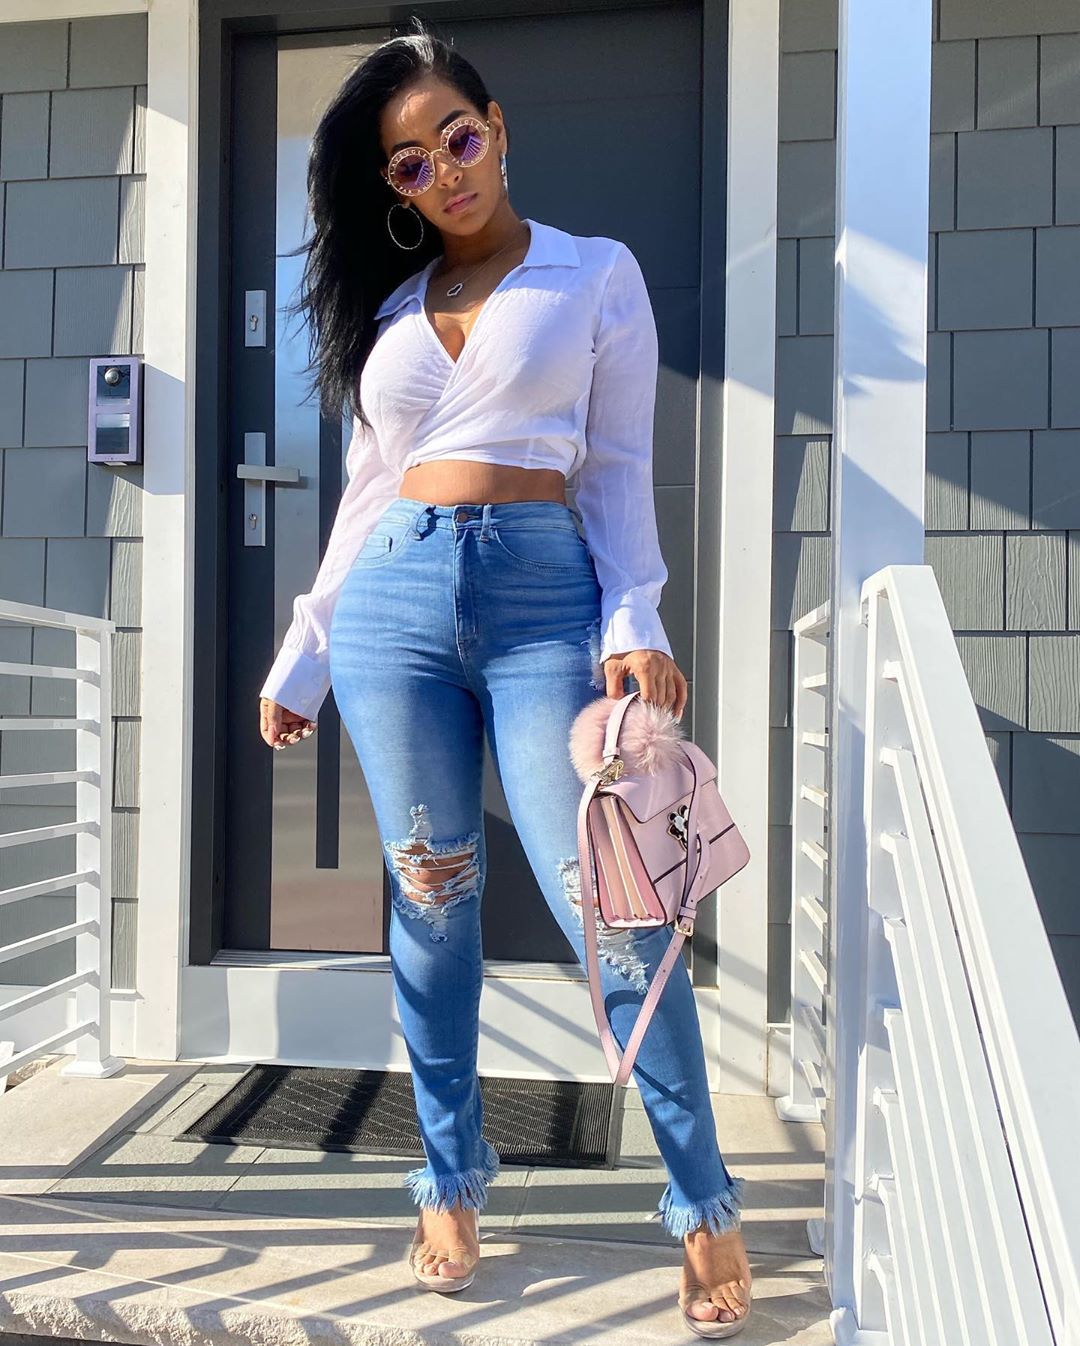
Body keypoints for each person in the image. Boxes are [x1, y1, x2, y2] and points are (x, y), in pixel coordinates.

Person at [257, 19, 752, 1336]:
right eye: (410, 164)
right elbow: (366, 496)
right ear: (396, 191)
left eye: (457, 138)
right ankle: (447, 1175)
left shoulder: (593, 274)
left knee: (617, 903)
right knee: (432, 897)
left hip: (544, 604)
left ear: (500, 130)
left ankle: (703, 1200)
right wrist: (306, 652)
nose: (445, 171)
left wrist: (634, 616)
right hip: (394, 611)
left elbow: (618, 470)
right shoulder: (390, 313)